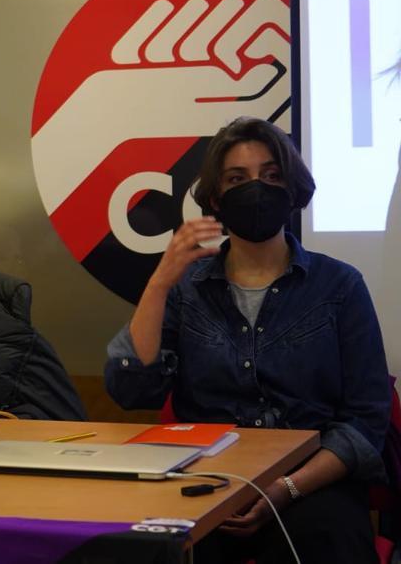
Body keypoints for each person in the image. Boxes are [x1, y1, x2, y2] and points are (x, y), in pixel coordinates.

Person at [105, 117, 390, 563]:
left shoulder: (340, 285)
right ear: (216, 198)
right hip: (206, 481)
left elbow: (365, 422)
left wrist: (283, 489)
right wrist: (160, 282)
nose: (256, 189)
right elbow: (132, 390)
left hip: (309, 484)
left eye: (271, 176)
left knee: (322, 539)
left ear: (292, 190)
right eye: (238, 179)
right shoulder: (187, 288)